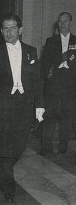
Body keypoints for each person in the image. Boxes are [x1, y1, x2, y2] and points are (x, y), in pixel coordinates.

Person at [0, 14, 44, 202]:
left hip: (24, 105)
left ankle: (5, 165)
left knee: (20, 143)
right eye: (5, 28)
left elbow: (37, 81)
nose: (8, 32)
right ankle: (8, 188)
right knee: (2, 148)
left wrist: (40, 106)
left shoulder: (31, 51)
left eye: (12, 28)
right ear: (1, 31)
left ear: (20, 30)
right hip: (1, 106)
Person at [39, 12, 76, 157]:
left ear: (71, 23)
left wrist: (70, 66)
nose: (62, 24)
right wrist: (53, 69)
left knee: (67, 117)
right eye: (60, 21)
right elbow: (45, 62)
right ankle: (46, 149)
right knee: (49, 117)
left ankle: (62, 149)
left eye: (65, 21)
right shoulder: (50, 41)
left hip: (71, 86)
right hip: (53, 85)